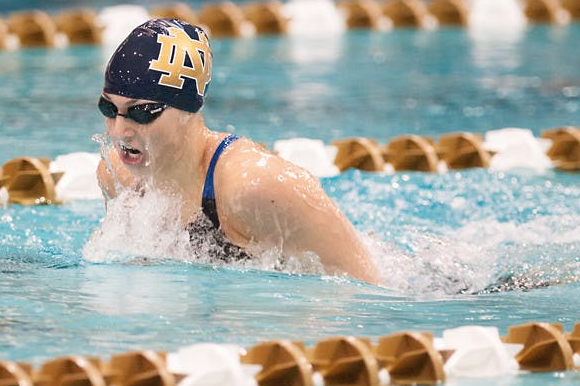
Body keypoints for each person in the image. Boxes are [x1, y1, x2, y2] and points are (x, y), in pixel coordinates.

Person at [95, 18, 379, 285]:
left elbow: (365, 287)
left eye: (142, 112)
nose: (119, 131)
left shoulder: (255, 186)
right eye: (109, 109)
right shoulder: (117, 177)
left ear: (187, 110)